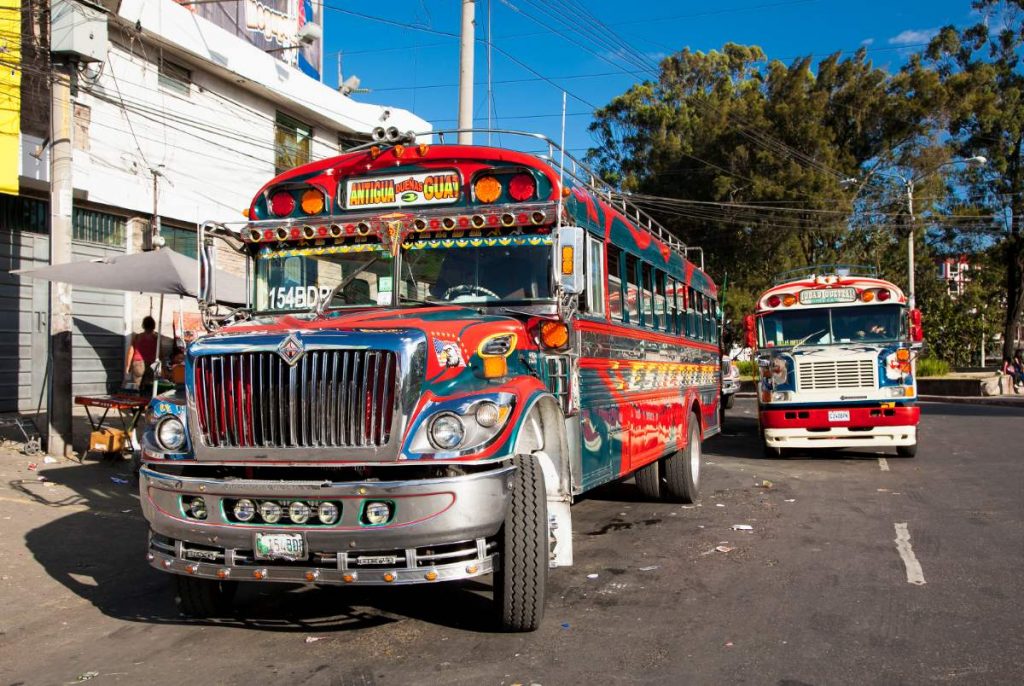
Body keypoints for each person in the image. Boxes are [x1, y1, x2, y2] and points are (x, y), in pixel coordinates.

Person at [125, 316, 159, 391]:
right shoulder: (156, 338)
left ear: (143, 325)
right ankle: (146, 401)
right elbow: (161, 353)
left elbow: (131, 351)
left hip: (137, 363)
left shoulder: (137, 337)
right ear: (153, 325)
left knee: (136, 387)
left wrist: (128, 366)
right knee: (148, 387)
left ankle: (137, 400)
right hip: (151, 364)